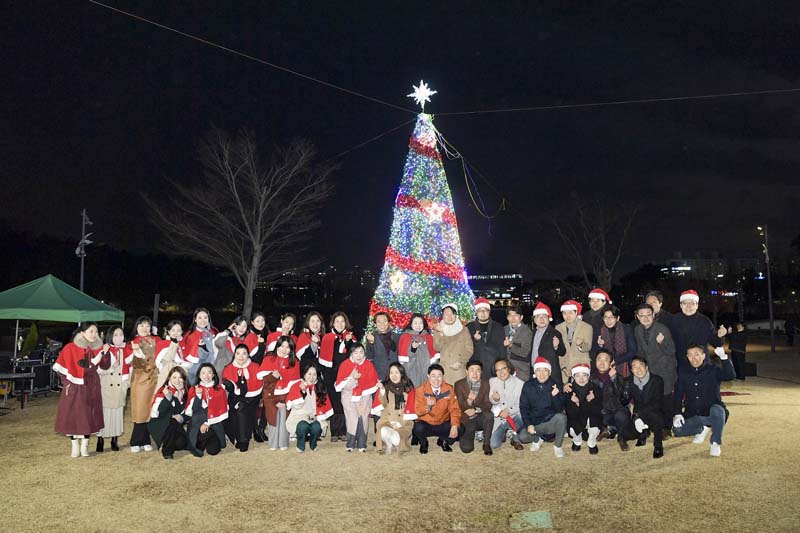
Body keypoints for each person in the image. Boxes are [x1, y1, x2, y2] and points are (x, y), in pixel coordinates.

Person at [53, 323, 110, 458]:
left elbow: (105, 366)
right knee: (72, 416)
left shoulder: (98, 348)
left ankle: (85, 445)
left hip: (91, 386)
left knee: (88, 416)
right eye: (91, 331)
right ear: (82, 333)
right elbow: (61, 368)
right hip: (74, 387)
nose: (94, 334)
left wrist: (106, 353)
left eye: (96, 332)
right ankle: (74, 445)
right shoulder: (70, 348)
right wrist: (67, 384)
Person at [672, 344, 736, 457]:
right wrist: (677, 413)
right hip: (693, 413)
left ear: (703, 356)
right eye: (690, 355)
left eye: (696, 354)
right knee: (677, 430)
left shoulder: (713, 369)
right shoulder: (683, 372)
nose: (693, 358)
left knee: (717, 411)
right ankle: (705, 426)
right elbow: (678, 394)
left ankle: (715, 442)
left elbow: (730, 375)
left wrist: (724, 358)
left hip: (712, 409)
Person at [634, 303, 676, 436]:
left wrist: (661, 343)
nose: (645, 318)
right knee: (651, 399)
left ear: (653, 315)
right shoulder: (638, 330)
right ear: (637, 317)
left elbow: (672, 351)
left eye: (648, 315)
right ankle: (652, 425)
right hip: (649, 369)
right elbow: (641, 351)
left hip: (665, 369)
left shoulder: (662, 328)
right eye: (642, 315)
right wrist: (639, 367)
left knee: (665, 398)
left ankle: (667, 428)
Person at [258, 336, 302, 451]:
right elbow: (264, 381)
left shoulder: (295, 362)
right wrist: (273, 376)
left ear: (291, 349)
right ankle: (273, 443)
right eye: (282, 346)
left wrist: (284, 400)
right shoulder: (269, 359)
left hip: (287, 396)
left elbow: (294, 384)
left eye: (288, 347)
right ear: (277, 346)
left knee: (284, 416)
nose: (284, 349)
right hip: (270, 394)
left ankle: (283, 442)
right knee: (273, 417)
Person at [517, 357, 567, 457]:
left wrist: (555, 397)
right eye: (539, 370)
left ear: (549, 372)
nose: (542, 374)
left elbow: (559, 409)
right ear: (535, 372)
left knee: (562, 418)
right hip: (535, 423)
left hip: (549, 422)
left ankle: (558, 446)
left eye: (545, 370)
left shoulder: (555, 384)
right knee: (522, 437)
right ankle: (537, 439)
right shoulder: (528, 385)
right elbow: (524, 407)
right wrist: (528, 424)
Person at [320, 312, 358, 442]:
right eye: (337, 321)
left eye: (342, 321)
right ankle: (335, 432)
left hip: (345, 375)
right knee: (335, 402)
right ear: (333, 323)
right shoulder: (327, 337)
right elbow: (324, 359)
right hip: (331, 374)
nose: (340, 324)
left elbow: (353, 356)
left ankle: (344, 431)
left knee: (345, 402)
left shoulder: (351, 338)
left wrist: (348, 342)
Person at [335, 343, 379, 452]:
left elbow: (371, 384)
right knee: (351, 419)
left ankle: (362, 444)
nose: (358, 356)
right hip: (348, 397)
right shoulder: (345, 365)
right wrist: (353, 379)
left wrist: (363, 400)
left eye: (361, 352)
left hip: (365, 397)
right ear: (351, 353)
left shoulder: (368, 365)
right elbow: (342, 385)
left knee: (363, 419)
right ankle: (350, 444)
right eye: (355, 353)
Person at [127, 316, 160, 453]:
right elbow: (132, 362)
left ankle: (146, 439)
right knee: (140, 409)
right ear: (136, 327)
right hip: (140, 378)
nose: (145, 328)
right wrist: (137, 352)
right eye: (142, 325)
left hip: (155, 378)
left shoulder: (157, 340)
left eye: (147, 326)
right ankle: (136, 440)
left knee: (150, 410)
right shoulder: (133, 342)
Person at [671, 290, 726, 371]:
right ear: (681, 305)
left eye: (692, 303)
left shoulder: (704, 321)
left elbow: (716, 343)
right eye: (685, 303)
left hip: (702, 364)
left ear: (697, 306)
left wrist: (719, 336)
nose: (689, 306)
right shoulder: (674, 320)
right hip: (681, 364)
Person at [412, 363, 462, 454]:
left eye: (439, 376)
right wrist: (427, 406)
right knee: (417, 428)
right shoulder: (420, 390)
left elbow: (455, 409)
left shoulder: (449, 389)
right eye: (433, 376)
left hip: (443, 422)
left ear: (443, 377)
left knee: (460, 428)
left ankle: (443, 440)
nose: (436, 379)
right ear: (428, 376)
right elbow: (417, 411)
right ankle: (424, 443)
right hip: (427, 424)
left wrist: (454, 426)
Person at [222, 343, 263, 452]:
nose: (241, 356)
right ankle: (239, 438)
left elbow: (260, 383)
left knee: (244, 408)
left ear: (248, 355)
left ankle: (244, 439)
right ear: (234, 355)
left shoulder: (255, 366)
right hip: (236, 397)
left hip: (253, 397)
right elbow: (229, 387)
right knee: (238, 408)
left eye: (244, 353)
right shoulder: (228, 368)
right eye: (238, 353)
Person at [623, 356, 665, 458]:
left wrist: (637, 416)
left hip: (654, 411)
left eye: (641, 366)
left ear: (646, 367)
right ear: (631, 370)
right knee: (626, 434)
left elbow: (657, 403)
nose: (638, 369)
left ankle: (658, 445)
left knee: (657, 419)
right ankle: (643, 434)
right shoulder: (628, 381)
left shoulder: (657, 380)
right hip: (638, 412)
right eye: (634, 367)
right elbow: (624, 402)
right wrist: (625, 393)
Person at [591, 350, 633, 451]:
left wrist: (614, 379)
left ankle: (621, 438)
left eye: (606, 360)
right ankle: (609, 430)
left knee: (620, 416)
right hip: (604, 413)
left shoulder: (618, 377)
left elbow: (623, 397)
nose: (602, 363)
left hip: (619, 410)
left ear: (611, 363)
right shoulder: (591, 378)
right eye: (599, 359)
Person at [286, 363, 333, 453]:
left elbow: (322, 406)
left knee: (316, 427)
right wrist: (303, 392)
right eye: (309, 374)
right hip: (299, 417)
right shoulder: (296, 386)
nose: (312, 377)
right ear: (304, 374)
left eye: (314, 374)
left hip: (314, 417)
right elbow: (296, 406)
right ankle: (300, 444)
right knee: (302, 426)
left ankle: (313, 443)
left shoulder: (319, 387)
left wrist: (316, 416)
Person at [96, 325, 129, 453]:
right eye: (115, 335)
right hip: (106, 386)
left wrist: (126, 384)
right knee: (104, 414)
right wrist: (112, 368)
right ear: (110, 336)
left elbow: (131, 368)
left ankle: (114, 439)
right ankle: (100, 439)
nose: (119, 338)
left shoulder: (127, 350)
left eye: (121, 335)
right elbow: (98, 370)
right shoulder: (104, 349)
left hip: (120, 386)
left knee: (117, 414)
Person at [185, 363, 228, 457]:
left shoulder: (220, 389)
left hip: (214, 423)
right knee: (196, 445)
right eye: (203, 373)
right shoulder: (193, 389)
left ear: (213, 375)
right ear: (199, 375)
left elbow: (221, 409)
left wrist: (207, 423)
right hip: (198, 423)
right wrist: (198, 396)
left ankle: (215, 438)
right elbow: (193, 410)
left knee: (213, 451)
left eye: (209, 373)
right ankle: (201, 442)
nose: (206, 376)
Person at [372, 362, 416, 454]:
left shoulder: (408, 388)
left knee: (397, 441)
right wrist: (382, 390)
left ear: (401, 373)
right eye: (391, 373)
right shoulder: (385, 386)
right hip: (388, 421)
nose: (394, 375)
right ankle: (388, 444)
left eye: (396, 372)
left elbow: (410, 410)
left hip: (403, 422)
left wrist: (399, 424)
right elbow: (383, 404)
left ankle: (397, 440)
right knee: (382, 431)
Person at [148, 366, 191, 460]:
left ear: (184, 379)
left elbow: (188, 412)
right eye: (174, 377)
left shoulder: (185, 391)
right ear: (169, 378)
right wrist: (168, 398)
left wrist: (181, 417)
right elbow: (159, 411)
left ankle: (167, 442)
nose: (177, 380)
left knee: (181, 444)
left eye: (180, 377)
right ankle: (167, 451)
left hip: (175, 425)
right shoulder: (164, 391)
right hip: (160, 423)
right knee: (172, 421)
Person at [454, 360, 494, 455]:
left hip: (480, 417)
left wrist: (475, 410)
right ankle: (470, 434)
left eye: (478, 370)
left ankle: (486, 444)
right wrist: (469, 400)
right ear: (466, 371)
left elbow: (488, 404)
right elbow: (459, 405)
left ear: (481, 372)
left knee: (489, 415)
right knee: (466, 449)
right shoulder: (459, 384)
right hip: (466, 419)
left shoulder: (486, 383)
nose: (475, 374)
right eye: (472, 370)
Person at [563, 363, 602, 454]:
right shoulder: (569, 390)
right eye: (578, 376)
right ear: (573, 377)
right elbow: (570, 413)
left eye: (584, 375)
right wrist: (575, 404)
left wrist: (589, 401)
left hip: (590, 418)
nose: (581, 379)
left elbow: (598, 410)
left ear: (588, 376)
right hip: (577, 418)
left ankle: (592, 443)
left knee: (595, 424)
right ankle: (577, 441)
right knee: (572, 429)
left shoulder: (595, 389)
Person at [488, 357, 525, 450]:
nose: (501, 372)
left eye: (503, 368)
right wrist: (495, 399)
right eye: (497, 370)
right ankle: (504, 431)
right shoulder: (492, 381)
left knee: (523, 417)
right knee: (494, 444)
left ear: (509, 368)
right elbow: (490, 401)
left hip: (515, 416)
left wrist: (509, 410)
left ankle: (515, 438)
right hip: (499, 418)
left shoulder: (520, 383)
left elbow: (521, 404)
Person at [432, 303, 473, 385]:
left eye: (452, 314)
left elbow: (469, 349)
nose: (449, 317)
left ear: (456, 315)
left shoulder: (464, 330)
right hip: (445, 369)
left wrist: (460, 362)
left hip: (459, 369)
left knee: (459, 391)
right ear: (443, 316)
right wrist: (441, 334)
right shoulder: (438, 329)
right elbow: (437, 348)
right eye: (446, 314)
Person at [554, 300, 592, 383]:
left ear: (576, 313)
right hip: (565, 367)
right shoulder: (558, 328)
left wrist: (581, 344)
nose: (567, 316)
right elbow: (560, 352)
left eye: (570, 313)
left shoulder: (586, 327)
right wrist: (563, 368)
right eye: (564, 313)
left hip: (581, 367)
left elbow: (588, 347)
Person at [528, 302, 566, 385]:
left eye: (544, 316)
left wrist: (556, 346)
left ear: (549, 319)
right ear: (534, 320)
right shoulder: (532, 333)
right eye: (538, 316)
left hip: (549, 373)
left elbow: (562, 352)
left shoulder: (555, 333)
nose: (541, 319)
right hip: (534, 371)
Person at [467, 298, 505, 377]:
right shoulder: (469, 327)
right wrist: (475, 340)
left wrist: (502, 367)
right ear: (476, 312)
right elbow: (466, 349)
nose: (483, 313)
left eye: (486, 310)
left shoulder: (498, 327)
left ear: (489, 311)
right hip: (476, 370)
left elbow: (502, 350)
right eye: (480, 310)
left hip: (494, 369)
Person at [398, 313, 438, 390]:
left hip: (426, 371)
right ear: (411, 324)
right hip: (412, 371)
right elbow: (404, 359)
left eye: (420, 323)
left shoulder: (428, 337)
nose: (418, 325)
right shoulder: (406, 337)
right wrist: (413, 349)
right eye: (415, 323)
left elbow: (434, 357)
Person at [596, 305, 638, 376]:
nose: (608, 320)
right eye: (606, 317)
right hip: (607, 366)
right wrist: (600, 345)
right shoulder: (602, 330)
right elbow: (601, 352)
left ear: (617, 318)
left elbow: (633, 351)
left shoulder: (626, 329)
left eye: (612, 317)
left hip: (625, 364)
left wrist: (615, 360)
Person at [183, 308, 219, 383]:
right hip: (195, 368)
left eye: (205, 317)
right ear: (195, 320)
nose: (203, 320)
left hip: (214, 366)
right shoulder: (190, 335)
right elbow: (186, 353)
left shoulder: (214, 332)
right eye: (199, 318)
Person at [153, 320, 191, 389]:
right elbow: (168, 358)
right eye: (173, 330)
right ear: (169, 331)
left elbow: (187, 360)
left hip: (181, 371)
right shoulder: (162, 343)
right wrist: (174, 343)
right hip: (165, 371)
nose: (175, 333)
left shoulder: (185, 344)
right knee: (170, 365)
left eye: (178, 330)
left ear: (182, 332)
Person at [365, 311, 400, 382]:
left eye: (384, 321)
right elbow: (369, 356)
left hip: (395, 374)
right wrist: (371, 343)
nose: (382, 324)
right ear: (375, 324)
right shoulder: (371, 337)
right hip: (379, 374)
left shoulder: (397, 337)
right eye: (379, 322)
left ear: (389, 322)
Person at [503, 306, 533, 380]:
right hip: (506, 370)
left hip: (521, 370)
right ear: (507, 317)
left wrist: (511, 345)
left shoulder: (527, 332)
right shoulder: (503, 329)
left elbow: (525, 352)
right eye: (510, 315)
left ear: (521, 317)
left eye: (516, 315)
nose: (513, 318)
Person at [584, 288, 611, 359]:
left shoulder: (609, 315)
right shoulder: (585, 315)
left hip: (604, 351)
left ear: (604, 302)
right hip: (587, 351)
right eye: (592, 300)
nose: (595, 303)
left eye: (598, 300)